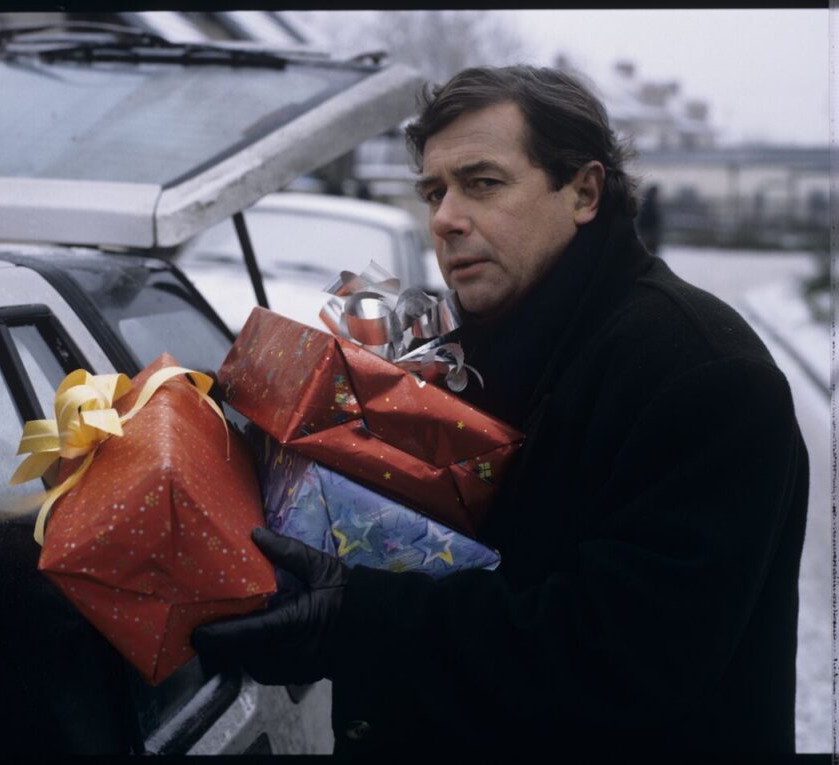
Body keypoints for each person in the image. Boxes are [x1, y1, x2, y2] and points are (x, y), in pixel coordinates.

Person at [192, 66, 808, 756]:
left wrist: (356, 622)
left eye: (482, 183)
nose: (446, 218)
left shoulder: (702, 371)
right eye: (434, 191)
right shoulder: (456, 353)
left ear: (583, 191)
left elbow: (627, 655)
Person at [637, 183, 662, 256]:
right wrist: (646, 233)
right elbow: (644, 220)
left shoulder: (652, 204)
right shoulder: (648, 204)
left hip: (651, 234)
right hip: (648, 235)